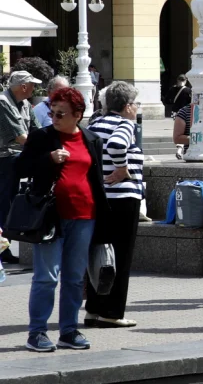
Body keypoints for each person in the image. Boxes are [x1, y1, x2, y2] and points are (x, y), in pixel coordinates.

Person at [20, 87, 108, 352]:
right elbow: (21, 168)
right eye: (52, 112)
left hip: (84, 216)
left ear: (78, 115)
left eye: (61, 114)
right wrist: (48, 159)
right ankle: (37, 333)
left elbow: (97, 179)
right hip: (49, 216)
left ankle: (68, 330)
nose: (55, 118)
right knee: (46, 277)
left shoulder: (92, 139)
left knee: (73, 278)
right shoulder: (42, 138)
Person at [82, 82, 145, 328]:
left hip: (99, 198)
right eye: (136, 104)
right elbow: (117, 145)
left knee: (100, 254)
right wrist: (122, 169)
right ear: (128, 106)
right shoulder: (124, 124)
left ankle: (94, 309)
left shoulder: (95, 123)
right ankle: (112, 312)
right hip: (123, 198)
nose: (137, 109)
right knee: (121, 256)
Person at [0, 70, 38, 264]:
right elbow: (20, 136)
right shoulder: (2, 102)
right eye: (33, 85)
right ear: (24, 86)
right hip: (4, 159)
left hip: (16, 157)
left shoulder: (25, 103)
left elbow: (36, 130)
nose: (35, 88)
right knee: (4, 204)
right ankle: (3, 250)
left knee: (10, 203)